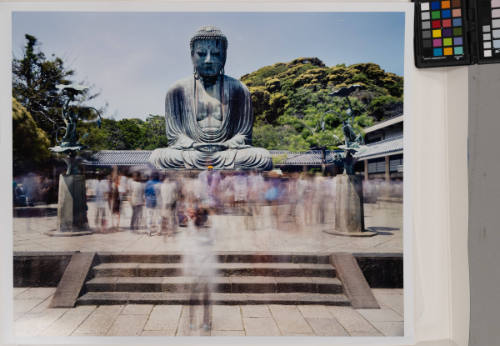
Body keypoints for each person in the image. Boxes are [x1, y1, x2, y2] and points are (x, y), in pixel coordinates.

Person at [149, 26, 272, 170]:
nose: (208, 60)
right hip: (192, 152)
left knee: (261, 157)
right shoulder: (177, 90)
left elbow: (243, 135)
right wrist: (193, 145)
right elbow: (174, 135)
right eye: (201, 54)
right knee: (157, 157)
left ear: (224, 56)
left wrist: (227, 145)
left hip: (227, 152)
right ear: (191, 55)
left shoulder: (239, 89)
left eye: (215, 54)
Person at [144, 172, 161, 236]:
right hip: (158, 202)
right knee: (158, 216)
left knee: (149, 216)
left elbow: (145, 193)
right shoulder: (160, 184)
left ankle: (149, 231)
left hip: (149, 202)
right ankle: (158, 231)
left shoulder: (148, 183)